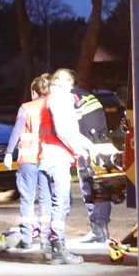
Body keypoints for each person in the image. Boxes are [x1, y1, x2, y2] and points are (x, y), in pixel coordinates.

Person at [38, 68, 99, 265]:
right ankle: (58, 249)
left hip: (48, 157)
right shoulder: (61, 98)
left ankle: (52, 246)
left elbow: (68, 131)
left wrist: (90, 146)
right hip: (57, 157)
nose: (73, 90)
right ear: (65, 82)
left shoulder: (49, 98)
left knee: (57, 203)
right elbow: (64, 131)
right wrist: (79, 150)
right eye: (72, 85)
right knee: (61, 203)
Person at [1, 73, 50, 252]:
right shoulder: (52, 106)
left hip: (28, 160)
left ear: (34, 92)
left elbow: (17, 131)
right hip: (47, 158)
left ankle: (27, 238)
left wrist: (8, 152)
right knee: (46, 199)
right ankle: (46, 238)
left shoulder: (26, 108)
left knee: (27, 199)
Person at [69, 83, 117, 246]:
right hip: (101, 143)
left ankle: (98, 230)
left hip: (88, 148)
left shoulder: (70, 98)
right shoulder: (87, 96)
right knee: (100, 186)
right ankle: (101, 228)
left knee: (90, 187)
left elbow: (70, 127)